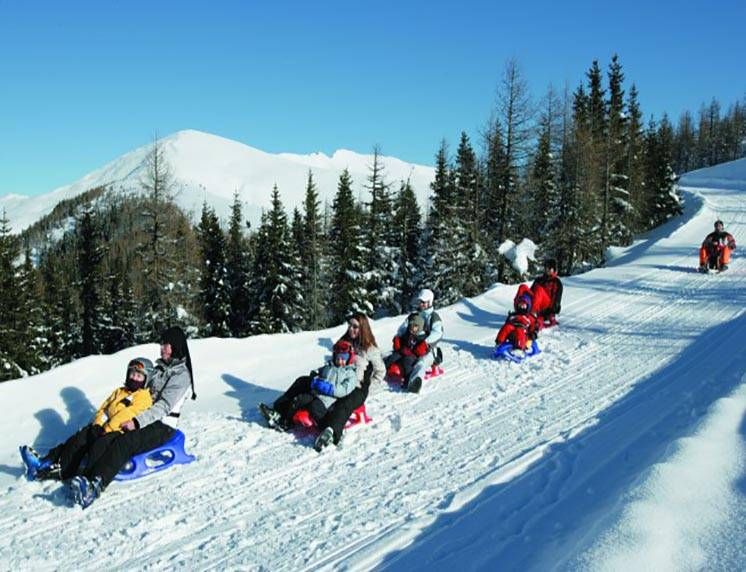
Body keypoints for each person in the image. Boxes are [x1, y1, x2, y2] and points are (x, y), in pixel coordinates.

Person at [68, 326, 195, 508]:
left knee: (124, 442)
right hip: (142, 416)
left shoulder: (181, 376)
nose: (162, 348)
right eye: (161, 344)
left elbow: (164, 406)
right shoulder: (159, 369)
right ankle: (85, 478)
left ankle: (96, 485)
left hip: (162, 425)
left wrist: (136, 422)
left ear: (175, 346)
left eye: (165, 345)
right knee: (108, 437)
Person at [19, 358, 154, 482]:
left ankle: (86, 479)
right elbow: (104, 408)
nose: (134, 378)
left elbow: (126, 414)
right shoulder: (120, 391)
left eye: (138, 376)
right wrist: (98, 424)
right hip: (104, 427)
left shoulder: (143, 397)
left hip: (121, 431)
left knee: (98, 446)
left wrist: (106, 429)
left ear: (145, 380)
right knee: (79, 437)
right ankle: (48, 463)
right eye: (132, 374)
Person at [314, 312, 385, 451]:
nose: (351, 329)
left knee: (343, 404)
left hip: (358, 387)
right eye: (350, 325)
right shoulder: (344, 342)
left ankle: (332, 432)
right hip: (340, 381)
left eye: (355, 326)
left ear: (363, 328)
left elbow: (381, 372)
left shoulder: (370, 349)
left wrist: (368, 389)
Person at [258, 340, 359, 432]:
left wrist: (329, 388)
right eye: (338, 358)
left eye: (343, 359)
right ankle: (284, 421)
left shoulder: (350, 374)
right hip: (315, 393)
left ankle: (325, 428)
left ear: (349, 358)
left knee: (314, 407)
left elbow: (343, 390)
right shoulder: (329, 366)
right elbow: (318, 372)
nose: (340, 361)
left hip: (328, 399)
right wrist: (314, 376)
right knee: (298, 400)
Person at [386, 288, 443, 394]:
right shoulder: (413, 315)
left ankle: (414, 383)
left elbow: (438, 333)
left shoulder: (433, 317)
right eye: (420, 302)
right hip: (411, 347)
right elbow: (403, 328)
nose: (421, 304)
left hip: (428, 350)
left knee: (420, 364)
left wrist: (425, 343)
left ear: (429, 302)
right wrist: (398, 337)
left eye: (423, 302)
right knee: (395, 355)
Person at [385, 313, 428, 382]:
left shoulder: (422, 337)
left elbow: (421, 350)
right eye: (410, 325)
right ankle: (382, 370)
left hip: (413, 356)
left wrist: (418, 351)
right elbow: (402, 340)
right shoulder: (408, 333)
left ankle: (408, 380)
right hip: (403, 351)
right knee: (393, 357)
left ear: (419, 327)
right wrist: (397, 341)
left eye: (414, 326)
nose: (411, 327)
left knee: (407, 362)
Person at [531, 258, 563, 327]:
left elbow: (556, 299)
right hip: (536, 304)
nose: (547, 270)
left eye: (549, 268)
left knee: (539, 289)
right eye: (546, 267)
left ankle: (533, 313)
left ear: (554, 269)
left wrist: (551, 312)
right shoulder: (539, 280)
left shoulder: (556, 282)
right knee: (523, 287)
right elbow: (531, 292)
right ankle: (521, 310)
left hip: (547, 308)